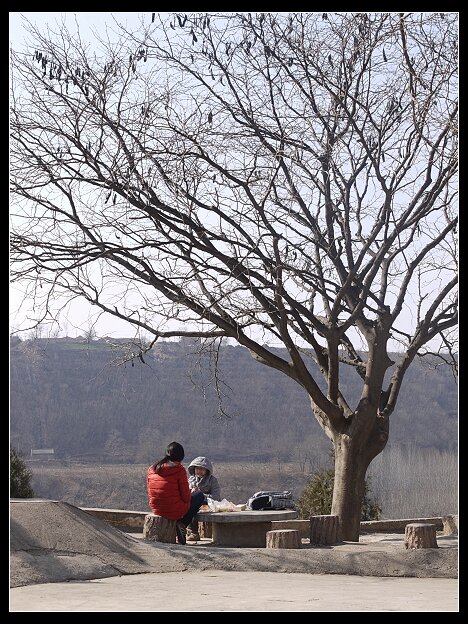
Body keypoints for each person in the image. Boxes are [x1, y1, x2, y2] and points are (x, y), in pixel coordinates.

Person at [146, 441, 205, 545]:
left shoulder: (152, 469)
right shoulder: (179, 470)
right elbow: (186, 498)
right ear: (180, 456)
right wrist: (191, 492)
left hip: (156, 508)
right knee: (199, 496)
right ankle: (182, 524)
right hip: (172, 510)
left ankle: (179, 526)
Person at [186, 456, 221, 541]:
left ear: (207, 470)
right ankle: (190, 531)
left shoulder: (212, 481)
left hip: (209, 504)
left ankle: (195, 533)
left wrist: (200, 494)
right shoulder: (191, 480)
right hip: (196, 504)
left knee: (193, 506)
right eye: (197, 468)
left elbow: (216, 497)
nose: (199, 471)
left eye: (202, 469)